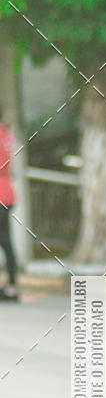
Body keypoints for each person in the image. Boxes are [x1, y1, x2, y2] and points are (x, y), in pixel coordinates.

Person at [0, 107, 19, 301]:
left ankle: (10, 286)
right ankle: (11, 285)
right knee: (6, 241)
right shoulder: (6, 132)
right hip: (7, 190)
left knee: (5, 240)